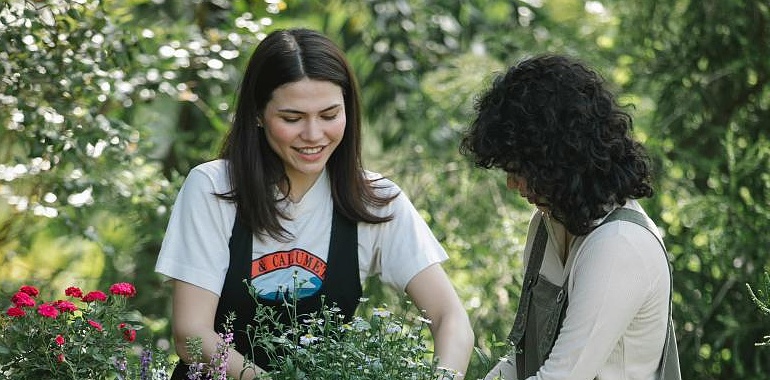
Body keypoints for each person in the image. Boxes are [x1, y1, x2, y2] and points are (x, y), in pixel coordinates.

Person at [155, 28, 474, 379]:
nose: (313, 135)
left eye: (329, 115)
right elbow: (191, 335)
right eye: (292, 119)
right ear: (258, 115)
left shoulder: (374, 200)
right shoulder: (214, 188)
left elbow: (450, 317)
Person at [460, 55, 681, 379]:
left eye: (518, 169)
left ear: (559, 159)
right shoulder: (545, 226)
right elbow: (520, 363)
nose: (511, 184)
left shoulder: (619, 246)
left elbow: (561, 376)